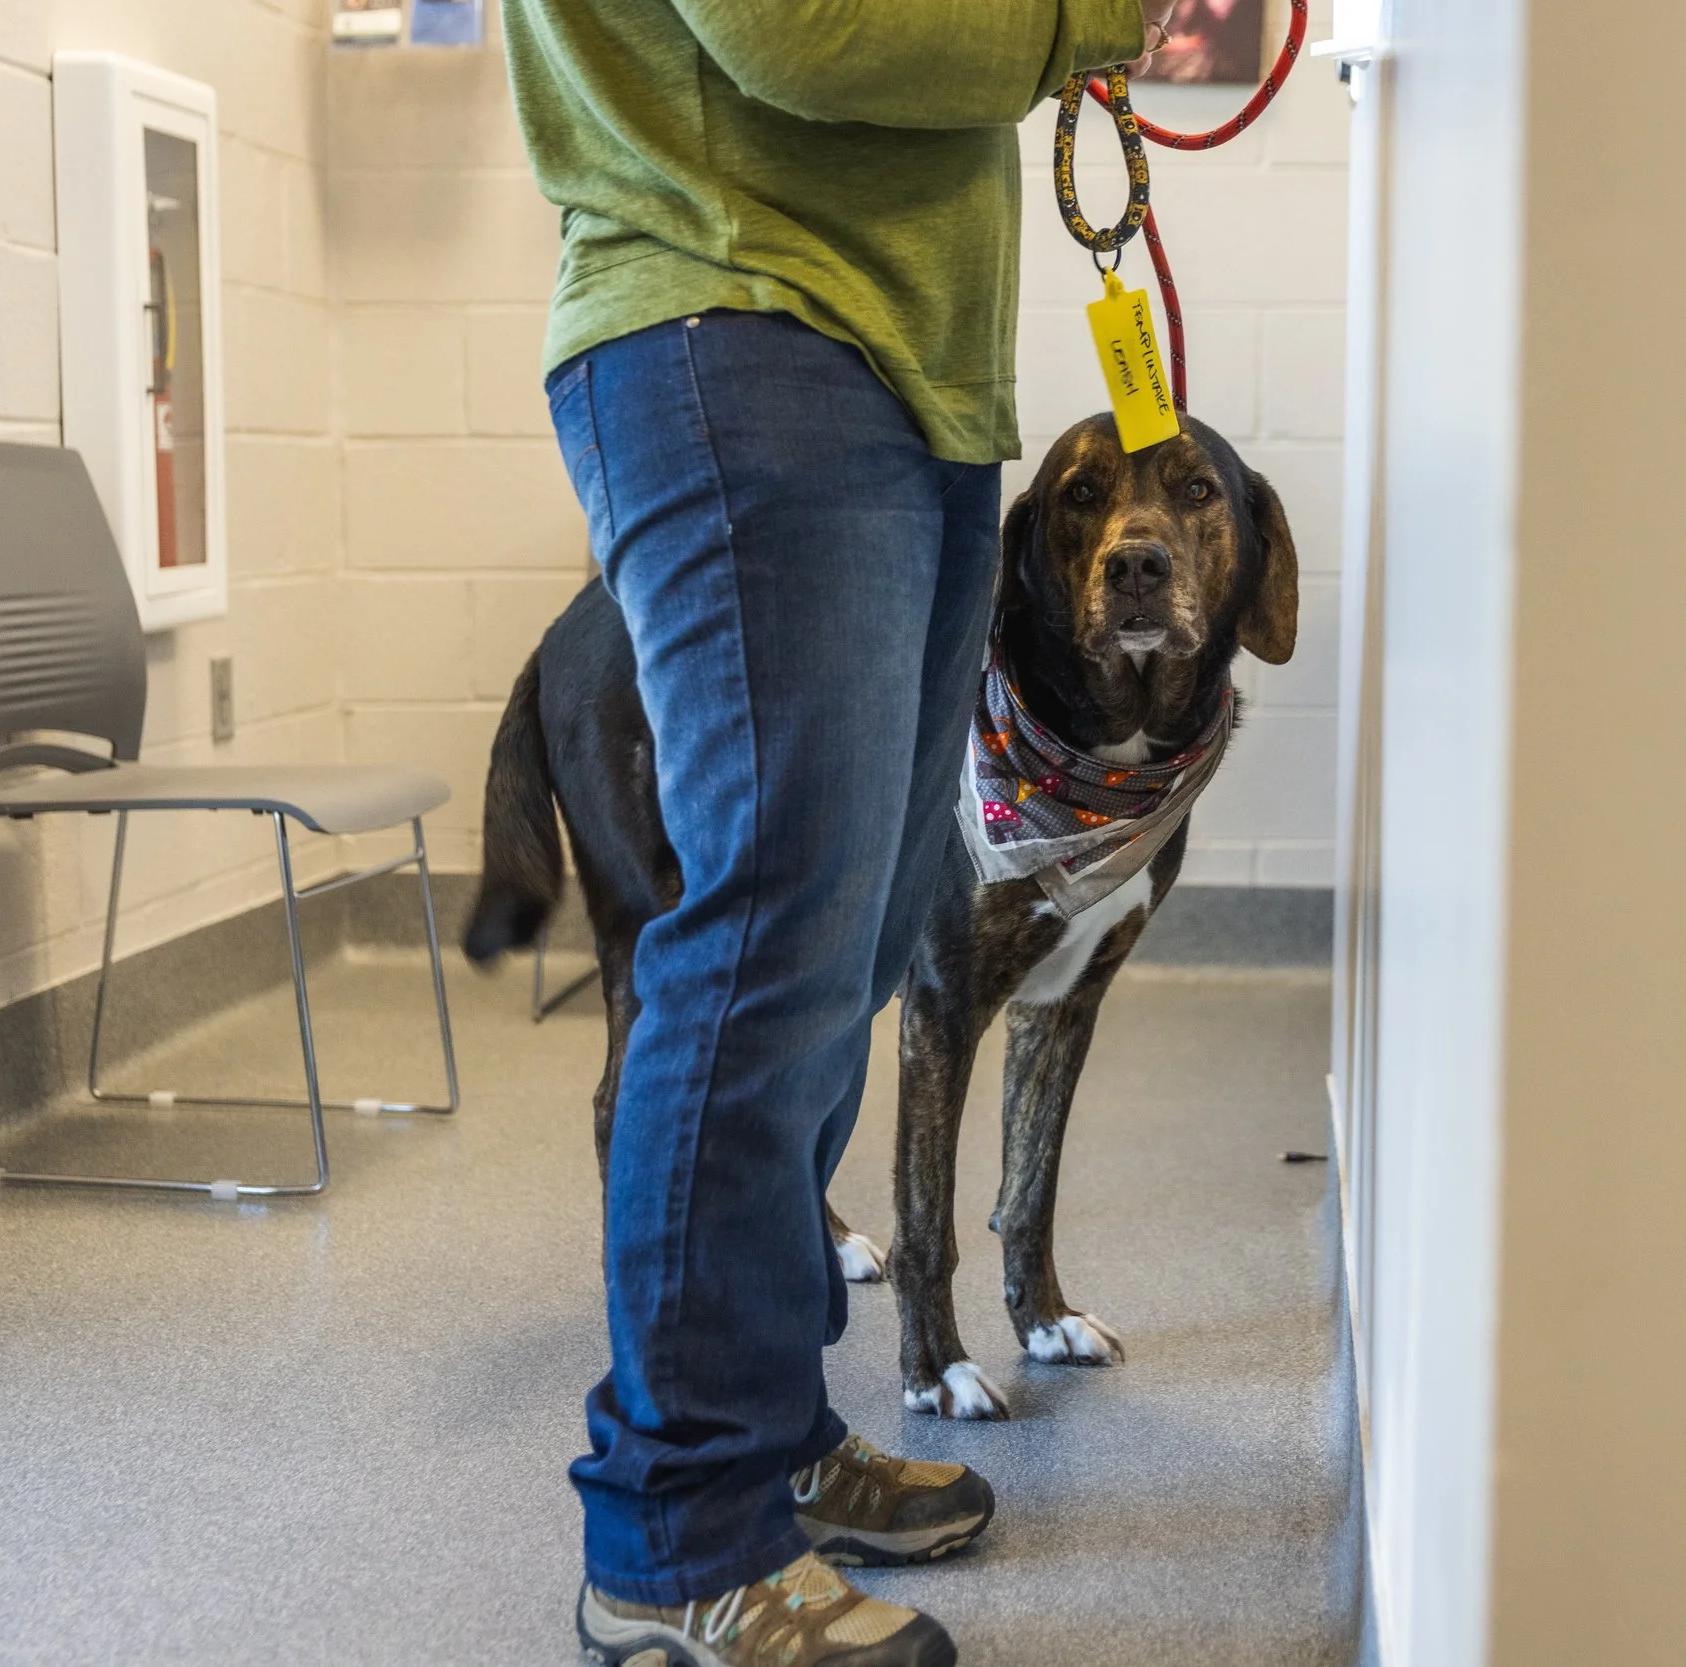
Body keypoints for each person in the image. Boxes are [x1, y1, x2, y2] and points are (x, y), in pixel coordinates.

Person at [496, 4, 1176, 1662]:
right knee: (765, 950)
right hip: (738, 316)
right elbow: (799, 28)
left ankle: (768, 1436)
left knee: (853, 939)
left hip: (885, 360)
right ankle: (674, 1535)